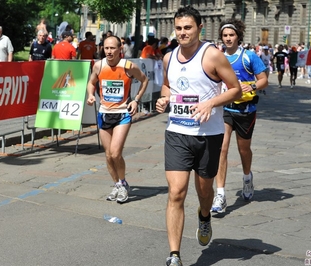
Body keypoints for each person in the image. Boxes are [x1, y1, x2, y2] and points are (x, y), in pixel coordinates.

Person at [155, 6, 242, 266]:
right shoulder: (168, 58)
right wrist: (164, 100)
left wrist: (210, 104)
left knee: (205, 192)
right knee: (176, 192)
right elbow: (168, 86)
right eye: (179, 28)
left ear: (200, 28)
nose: (182, 33)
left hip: (209, 135)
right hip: (177, 133)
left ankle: (204, 217)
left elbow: (235, 89)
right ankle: (174, 256)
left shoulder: (212, 56)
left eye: (188, 28)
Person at [210, 19, 268, 214]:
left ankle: (247, 177)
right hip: (225, 109)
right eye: (225, 35)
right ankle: (220, 194)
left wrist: (250, 86)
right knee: (222, 149)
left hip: (246, 111)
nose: (228, 38)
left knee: (244, 151)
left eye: (231, 35)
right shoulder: (218, 57)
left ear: (238, 37)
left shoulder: (249, 56)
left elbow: (264, 81)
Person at [86, 35, 148, 204]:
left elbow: (144, 80)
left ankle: (123, 183)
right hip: (104, 113)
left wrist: (136, 100)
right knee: (108, 156)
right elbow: (91, 83)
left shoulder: (128, 66)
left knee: (115, 153)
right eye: (106, 48)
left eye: (113, 48)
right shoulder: (99, 66)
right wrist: (91, 95)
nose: (109, 51)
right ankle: (118, 184)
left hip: (122, 113)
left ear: (120, 49)